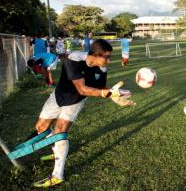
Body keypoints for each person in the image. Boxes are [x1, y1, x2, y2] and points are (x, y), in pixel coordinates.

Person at [27, 39, 135, 188]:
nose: (108, 61)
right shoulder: (74, 59)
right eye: (107, 57)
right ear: (96, 55)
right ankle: (57, 150)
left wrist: (116, 96)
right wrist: (108, 94)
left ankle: (57, 175)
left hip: (75, 101)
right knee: (41, 128)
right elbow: (82, 88)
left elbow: (101, 87)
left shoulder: (101, 68)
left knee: (60, 132)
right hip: (59, 95)